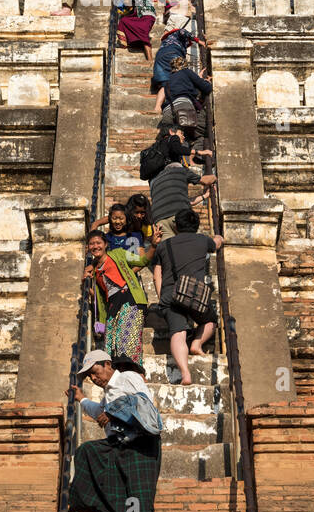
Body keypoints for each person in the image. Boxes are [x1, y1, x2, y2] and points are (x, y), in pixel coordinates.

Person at [70, 349, 161, 512]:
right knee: (86, 451)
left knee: (138, 487)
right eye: (90, 376)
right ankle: (87, 503)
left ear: (108, 365)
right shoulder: (108, 392)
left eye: (96, 372)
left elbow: (143, 401)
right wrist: (81, 399)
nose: (94, 378)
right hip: (118, 443)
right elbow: (99, 412)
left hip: (140, 442)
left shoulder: (128, 378)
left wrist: (112, 412)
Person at [152, 208, 224, 384]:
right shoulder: (202, 240)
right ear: (197, 225)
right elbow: (216, 244)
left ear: (176, 226)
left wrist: (163, 298)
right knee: (210, 320)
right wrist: (219, 237)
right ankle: (197, 344)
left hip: (170, 293)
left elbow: (156, 275)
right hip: (194, 292)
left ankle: (185, 373)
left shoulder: (163, 245)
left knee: (178, 331)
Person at [85, 228, 161, 365]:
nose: (95, 246)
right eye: (91, 244)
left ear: (106, 244)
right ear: (88, 247)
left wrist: (154, 245)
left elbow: (143, 261)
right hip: (113, 305)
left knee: (127, 343)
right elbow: (100, 298)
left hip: (129, 298)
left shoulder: (119, 253)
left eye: (98, 243)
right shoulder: (94, 270)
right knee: (110, 347)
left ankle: (135, 375)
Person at [148, 136, 216, 239]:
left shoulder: (155, 180)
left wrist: (204, 196)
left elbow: (189, 202)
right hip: (178, 217)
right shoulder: (181, 171)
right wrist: (216, 177)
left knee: (169, 249)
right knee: (186, 244)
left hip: (159, 220)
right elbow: (205, 180)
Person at [154, 54, 212, 144]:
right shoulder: (186, 72)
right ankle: (194, 153)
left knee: (169, 140)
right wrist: (205, 81)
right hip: (183, 108)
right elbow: (206, 88)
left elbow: (167, 90)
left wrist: (157, 106)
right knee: (201, 133)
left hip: (168, 111)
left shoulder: (168, 80)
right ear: (185, 65)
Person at [151, 8, 208, 93]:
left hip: (160, 55)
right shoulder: (178, 34)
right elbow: (182, 31)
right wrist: (198, 40)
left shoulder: (168, 38)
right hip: (173, 53)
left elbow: (165, 35)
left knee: (165, 83)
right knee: (182, 76)